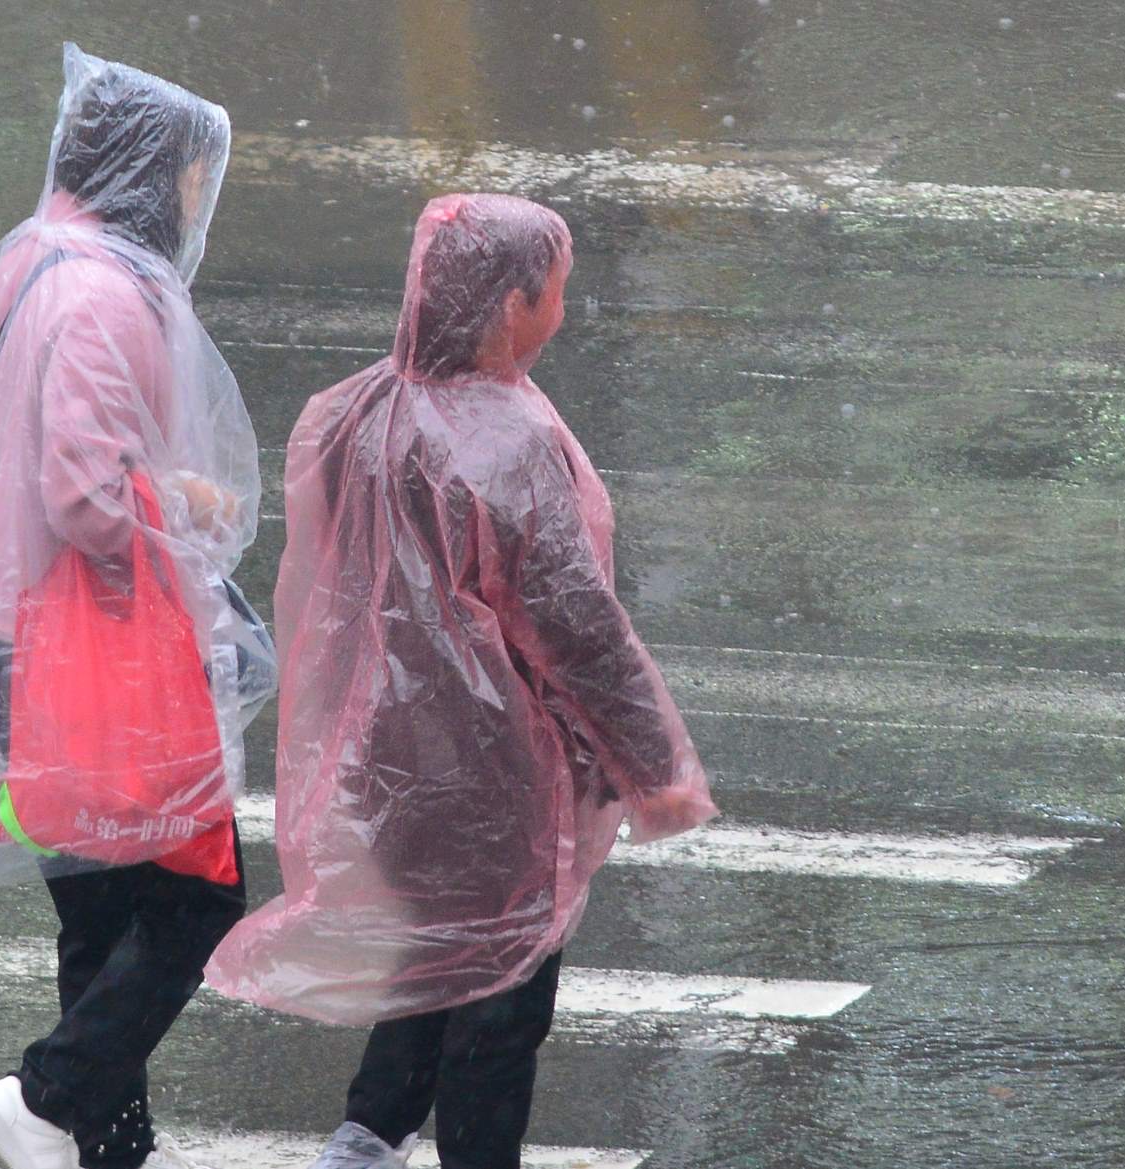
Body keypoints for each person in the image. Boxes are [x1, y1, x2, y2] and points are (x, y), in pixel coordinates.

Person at [204, 194, 716, 1169]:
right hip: (495, 767)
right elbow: (572, 620)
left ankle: (366, 1136)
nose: (561, 308)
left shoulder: (353, 411)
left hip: (384, 754)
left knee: (426, 952)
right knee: (497, 998)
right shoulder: (508, 438)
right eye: (554, 289)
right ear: (510, 304)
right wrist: (652, 765)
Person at [0, 44, 270, 1169]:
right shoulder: (98, 294)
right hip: (90, 654)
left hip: (14, 637)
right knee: (194, 898)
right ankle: (45, 1099)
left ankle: (108, 1149)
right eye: (190, 172)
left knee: (99, 916)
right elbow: (84, 496)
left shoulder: (24, 263)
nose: (196, 195)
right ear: (147, 171)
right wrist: (180, 501)